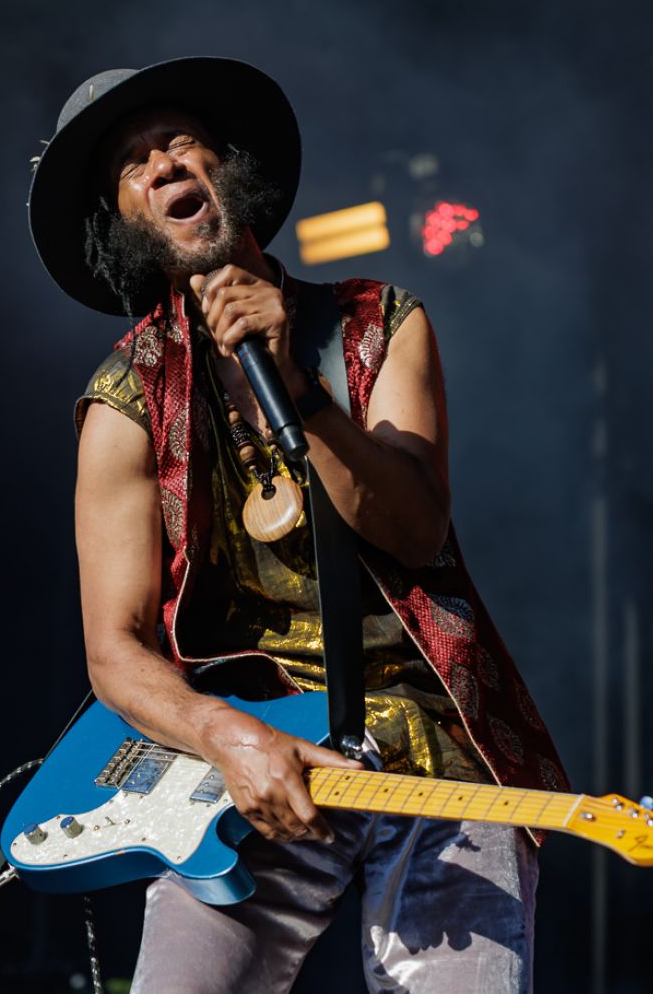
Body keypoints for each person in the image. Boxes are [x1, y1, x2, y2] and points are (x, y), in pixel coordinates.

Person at [28, 57, 569, 993]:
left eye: (176, 143)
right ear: (123, 221)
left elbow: (414, 529)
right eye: (132, 164)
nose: (160, 165)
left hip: (432, 746)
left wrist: (307, 393)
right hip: (245, 760)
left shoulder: (377, 324)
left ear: (224, 168)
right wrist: (223, 735)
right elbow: (113, 651)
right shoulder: (123, 402)